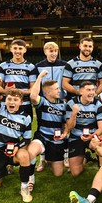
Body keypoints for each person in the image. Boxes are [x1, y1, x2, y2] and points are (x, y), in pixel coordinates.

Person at [27, 70, 67, 185]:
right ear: (48, 92)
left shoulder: (63, 104)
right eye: (56, 89)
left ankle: (46, 156)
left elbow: (64, 124)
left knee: (58, 173)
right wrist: (40, 77)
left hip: (56, 140)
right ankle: (30, 179)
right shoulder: (42, 101)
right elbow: (33, 96)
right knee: (30, 153)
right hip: (42, 136)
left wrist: (63, 134)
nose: (59, 90)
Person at [35, 41, 68, 172]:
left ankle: (64, 155)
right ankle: (42, 159)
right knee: (41, 126)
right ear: (45, 52)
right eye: (50, 51)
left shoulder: (65, 65)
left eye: (55, 51)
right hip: (44, 102)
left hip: (61, 100)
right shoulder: (38, 66)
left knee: (62, 126)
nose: (53, 53)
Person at [64, 81, 102, 177]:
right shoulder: (71, 103)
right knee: (75, 173)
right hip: (76, 136)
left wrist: (90, 136)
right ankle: (86, 157)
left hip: (93, 135)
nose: (91, 92)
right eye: (88, 90)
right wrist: (74, 114)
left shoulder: (98, 104)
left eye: (93, 90)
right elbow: (69, 127)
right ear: (81, 92)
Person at [0, 39, 37, 119]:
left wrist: (20, 92)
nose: (17, 51)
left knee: (25, 128)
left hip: (24, 103)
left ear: (25, 50)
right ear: (11, 49)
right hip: (6, 103)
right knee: (5, 129)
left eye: (20, 48)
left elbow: (32, 88)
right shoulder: (3, 65)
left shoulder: (31, 67)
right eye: (15, 48)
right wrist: (5, 91)